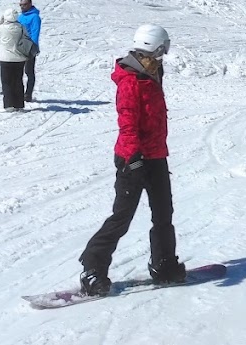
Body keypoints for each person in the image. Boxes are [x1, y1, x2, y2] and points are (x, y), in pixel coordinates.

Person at [78, 23, 186, 296]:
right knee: (122, 217)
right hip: (133, 158)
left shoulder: (151, 71)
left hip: (156, 155)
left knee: (164, 214)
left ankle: (164, 264)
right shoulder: (131, 80)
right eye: (163, 47)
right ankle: (92, 269)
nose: (165, 53)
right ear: (155, 46)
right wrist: (133, 157)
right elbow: (127, 123)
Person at [0, 8, 33, 111]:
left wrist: (0, 19)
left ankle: (9, 104)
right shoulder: (21, 27)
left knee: (6, 81)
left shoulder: (2, 28)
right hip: (19, 58)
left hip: (5, 58)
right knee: (18, 81)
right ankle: (19, 104)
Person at [16, 0, 41, 102]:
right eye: (21, 5)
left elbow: (35, 33)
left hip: (29, 47)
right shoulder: (20, 17)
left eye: (24, 4)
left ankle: (28, 94)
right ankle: (17, 92)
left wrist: (33, 47)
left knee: (29, 71)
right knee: (18, 71)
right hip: (19, 47)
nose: (22, 6)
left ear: (30, 4)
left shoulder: (35, 17)